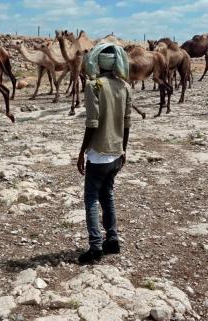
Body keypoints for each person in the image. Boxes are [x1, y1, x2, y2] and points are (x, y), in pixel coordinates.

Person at [77, 44, 132, 265]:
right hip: (116, 153)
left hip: (98, 154)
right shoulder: (125, 86)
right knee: (107, 195)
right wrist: (124, 149)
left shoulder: (94, 85)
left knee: (91, 198)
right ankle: (113, 239)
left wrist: (82, 152)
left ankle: (96, 246)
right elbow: (127, 122)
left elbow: (92, 123)